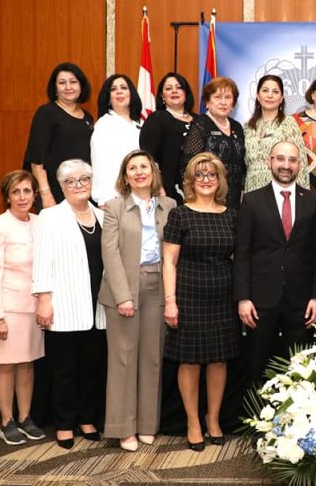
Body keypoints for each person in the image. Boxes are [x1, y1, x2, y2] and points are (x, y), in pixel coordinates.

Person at [163, 153, 240, 452]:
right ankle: (193, 422)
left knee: (219, 359)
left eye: (211, 175)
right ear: (190, 181)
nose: (206, 180)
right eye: (200, 175)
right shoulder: (180, 215)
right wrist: (170, 302)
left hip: (223, 295)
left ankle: (213, 419)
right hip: (188, 294)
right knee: (190, 361)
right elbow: (169, 262)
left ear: (220, 181)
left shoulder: (231, 215)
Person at [99, 150, 176, 452]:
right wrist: (123, 296)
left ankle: (146, 424)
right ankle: (123, 428)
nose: (139, 172)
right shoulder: (114, 207)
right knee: (124, 359)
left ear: (154, 173)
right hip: (125, 287)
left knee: (152, 358)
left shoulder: (169, 205)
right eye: (133, 168)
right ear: (125, 176)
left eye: (145, 166)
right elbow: (110, 253)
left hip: (159, 283)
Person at [235, 141, 316, 385]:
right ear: (270, 162)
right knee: (257, 366)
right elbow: (242, 254)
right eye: (280, 159)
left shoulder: (315, 202)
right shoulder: (252, 201)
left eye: (292, 160)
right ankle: (257, 410)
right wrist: (243, 298)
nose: (286, 165)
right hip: (260, 301)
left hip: (302, 301)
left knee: (301, 369)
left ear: (300, 164)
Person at [31, 159, 107, 449]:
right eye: (71, 181)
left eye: (84, 179)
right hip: (64, 305)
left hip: (98, 306)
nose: (78, 185)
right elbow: (42, 261)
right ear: (61, 186)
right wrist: (44, 301)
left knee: (91, 367)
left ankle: (86, 418)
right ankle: (64, 423)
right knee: (64, 370)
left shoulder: (102, 216)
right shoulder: (50, 217)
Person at [0, 170, 47, 445]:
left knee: (27, 364)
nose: (22, 197)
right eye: (16, 192)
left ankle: (25, 417)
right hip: (5, 310)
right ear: (7, 196)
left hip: (33, 307)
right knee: (6, 366)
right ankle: (7, 420)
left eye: (27, 191)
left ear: (34, 195)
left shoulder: (40, 223)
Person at [24, 62, 94, 208]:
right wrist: (45, 193)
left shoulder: (88, 117)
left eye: (73, 82)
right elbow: (36, 159)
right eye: (62, 83)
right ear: (55, 88)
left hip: (80, 190)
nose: (68, 87)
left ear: (81, 86)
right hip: (54, 190)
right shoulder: (46, 113)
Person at [182, 77, 246, 208]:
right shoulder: (200, 124)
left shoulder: (237, 127)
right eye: (217, 97)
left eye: (228, 97)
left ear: (233, 103)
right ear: (207, 101)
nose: (223, 102)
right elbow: (188, 165)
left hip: (234, 199)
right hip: (208, 197)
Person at [243, 75, 310, 192]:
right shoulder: (247, 126)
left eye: (275, 91)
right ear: (258, 96)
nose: (270, 95)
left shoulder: (289, 123)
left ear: (281, 98)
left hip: (280, 190)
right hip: (252, 189)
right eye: (265, 90)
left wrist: (302, 195)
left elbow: (301, 161)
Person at [140, 72, 196, 204]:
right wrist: (159, 187)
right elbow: (149, 157)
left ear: (186, 93)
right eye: (168, 88)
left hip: (198, 188)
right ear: (162, 96)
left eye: (179, 87)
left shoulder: (200, 121)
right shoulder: (157, 119)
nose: (174, 91)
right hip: (167, 189)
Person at [91, 74, 143, 205]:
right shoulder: (104, 125)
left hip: (140, 194)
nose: (119, 91)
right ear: (108, 98)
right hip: (115, 199)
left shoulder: (140, 123)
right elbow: (100, 165)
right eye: (113, 89)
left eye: (124, 88)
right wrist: (104, 200)